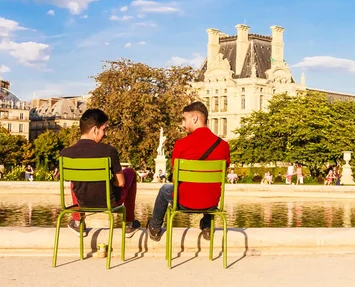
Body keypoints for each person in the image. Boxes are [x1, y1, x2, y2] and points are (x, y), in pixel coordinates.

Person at [147, 101, 230, 242]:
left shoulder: (181, 144)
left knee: (165, 189)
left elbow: (175, 179)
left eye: (184, 119)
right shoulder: (223, 145)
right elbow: (221, 176)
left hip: (184, 202)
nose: (183, 124)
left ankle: (154, 228)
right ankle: (207, 226)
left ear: (195, 119)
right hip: (211, 203)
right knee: (209, 187)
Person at [60, 108, 141, 236]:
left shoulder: (65, 153)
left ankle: (77, 221)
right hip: (109, 202)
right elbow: (121, 183)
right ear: (95, 130)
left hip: (82, 203)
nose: (105, 133)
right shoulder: (108, 150)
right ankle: (129, 223)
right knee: (130, 172)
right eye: (104, 129)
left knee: (74, 180)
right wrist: (110, 182)